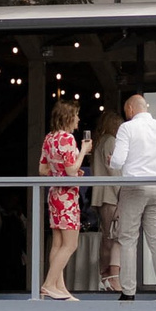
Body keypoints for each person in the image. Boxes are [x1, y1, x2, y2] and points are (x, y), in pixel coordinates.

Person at [110, 93, 156, 298]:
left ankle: (128, 291)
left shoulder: (127, 128)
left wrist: (113, 161)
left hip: (134, 186)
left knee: (128, 238)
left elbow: (117, 162)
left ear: (130, 109)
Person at [38, 101, 91, 298]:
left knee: (58, 244)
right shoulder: (67, 139)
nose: (78, 119)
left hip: (54, 194)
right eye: (76, 115)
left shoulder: (49, 138)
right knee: (70, 244)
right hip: (67, 196)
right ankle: (49, 284)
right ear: (68, 117)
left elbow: (42, 170)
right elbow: (70, 170)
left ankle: (60, 288)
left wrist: (60, 171)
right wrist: (83, 152)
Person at [92, 111, 124, 293]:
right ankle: (111, 277)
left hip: (102, 195)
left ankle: (105, 276)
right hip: (111, 195)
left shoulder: (100, 141)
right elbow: (114, 173)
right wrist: (122, 195)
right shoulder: (111, 141)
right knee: (112, 237)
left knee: (107, 235)